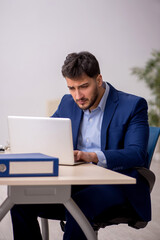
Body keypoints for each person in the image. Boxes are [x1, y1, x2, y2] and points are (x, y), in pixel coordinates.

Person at [11, 51, 151, 240]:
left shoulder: (133, 105)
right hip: (76, 182)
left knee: (78, 204)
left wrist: (92, 156)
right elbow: (47, 135)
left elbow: (137, 154)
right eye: (71, 88)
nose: (78, 95)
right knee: (20, 202)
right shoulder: (68, 102)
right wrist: (24, 143)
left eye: (84, 86)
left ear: (99, 80)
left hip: (117, 184)